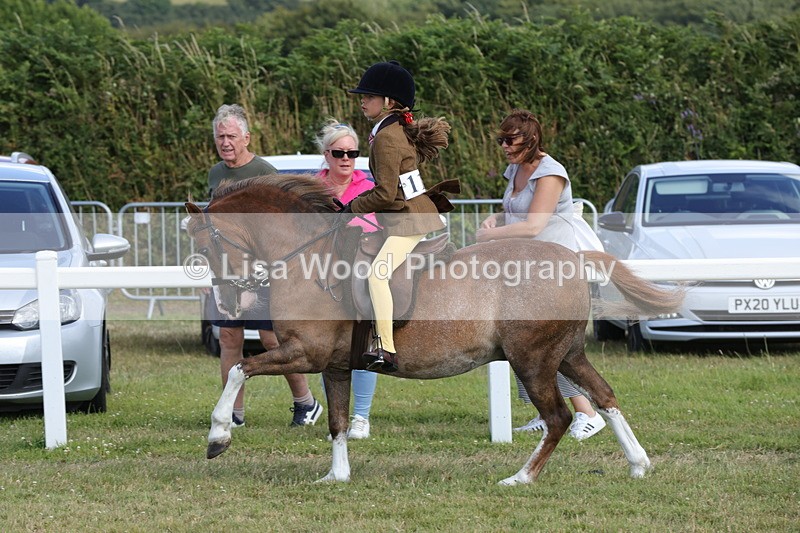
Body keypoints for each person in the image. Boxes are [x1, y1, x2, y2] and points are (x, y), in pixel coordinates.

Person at [476, 108, 606, 441]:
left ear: (530, 140)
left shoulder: (551, 173)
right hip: (526, 268)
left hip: (554, 271)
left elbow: (534, 226)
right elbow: (516, 211)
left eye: (510, 140)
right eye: (501, 140)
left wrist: (490, 237)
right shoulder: (515, 168)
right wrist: (495, 219)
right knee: (517, 343)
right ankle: (545, 411)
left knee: (546, 351)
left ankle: (588, 413)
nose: (504, 146)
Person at [207, 104, 322, 428]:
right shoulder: (215, 174)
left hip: (262, 271)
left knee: (272, 340)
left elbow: (281, 227)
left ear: (246, 137)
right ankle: (235, 413)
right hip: (229, 272)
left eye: (231, 136)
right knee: (229, 338)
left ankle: (306, 404)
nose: (225, 142)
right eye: (220, 136)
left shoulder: (265, 172)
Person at [347, 60, 450, 372]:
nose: (362, 100)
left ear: (388, 102)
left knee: (377, 274)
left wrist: (349, 207)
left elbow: (386, 194)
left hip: (409, 220)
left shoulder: (388, 137)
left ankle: (385, 349)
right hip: (405, 215)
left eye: (368, 96)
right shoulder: (389, 131)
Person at [313, 118, 379, 439]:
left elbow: (373, 229)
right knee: (326, 350)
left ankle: (362, 416)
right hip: (321, 275)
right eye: (339, 152)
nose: (346, 159)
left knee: (363, 343)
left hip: (358, 269)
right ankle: (336, 417)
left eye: (352, 153)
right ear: (326, 155)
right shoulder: (313, 188)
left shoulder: (368, 188)